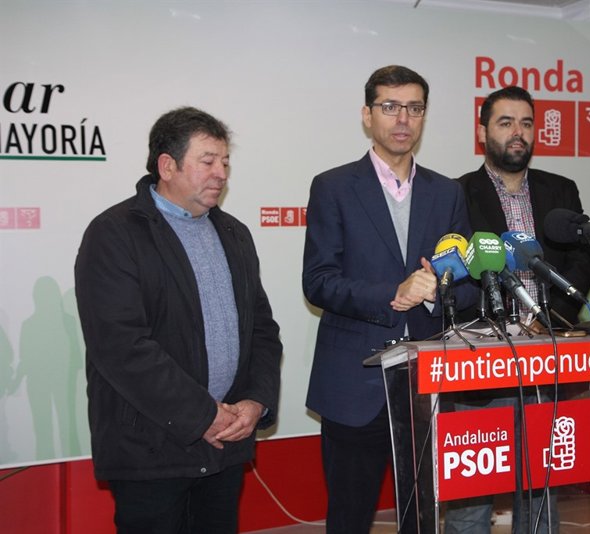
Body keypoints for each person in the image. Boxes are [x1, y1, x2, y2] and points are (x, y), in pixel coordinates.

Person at [74, 106, 283, 534]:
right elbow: (121, 347)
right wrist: (203, 415)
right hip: (151, 449)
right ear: (167, 166)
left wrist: (255, 401)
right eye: (208, 161)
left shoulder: (234, 234)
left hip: (225, 445)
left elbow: (262, 330)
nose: (221, 173)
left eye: (225, 162)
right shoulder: (114, 234)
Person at [302, 65, 474, 533]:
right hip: (353, 382)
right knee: (350, 517)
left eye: (414, 108)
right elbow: (318, 282)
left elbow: (467, 284)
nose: (403, 119)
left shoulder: (447, 192)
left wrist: (438, 293)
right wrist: (392, 294)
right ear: (367, 115)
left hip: (428, 383)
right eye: (390, 107)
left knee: (422, 517)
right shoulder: (333, 187)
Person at [446, 85, 590, 533]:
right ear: (482, 132)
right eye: (506, 122)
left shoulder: (561, 190)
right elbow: (456, 271)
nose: (518, 132)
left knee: (540, 491)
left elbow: (580, 263)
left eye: (526, 123)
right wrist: (503, 324)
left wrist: (545, 321)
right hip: (482, 364)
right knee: (471, 499)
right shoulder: (455, 193)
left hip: (547, 358)